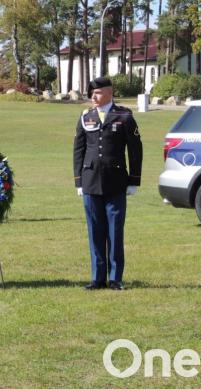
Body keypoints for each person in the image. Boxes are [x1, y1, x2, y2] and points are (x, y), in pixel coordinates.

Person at [73, 77, 142, 291]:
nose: (93, 97)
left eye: (98, 93)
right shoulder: (86, 117)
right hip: (91, 181)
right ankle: (97, 278)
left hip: (116, 181)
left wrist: (134, 181)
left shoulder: (124, 116)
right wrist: (78, 181)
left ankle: (115, 278)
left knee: (114, 231)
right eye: (92, 93)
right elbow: (78, 150)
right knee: (95, 230)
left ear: (110, 93)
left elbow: (135, 150)